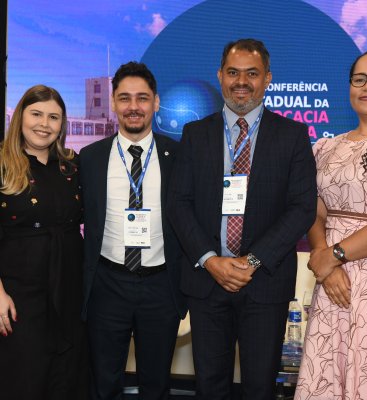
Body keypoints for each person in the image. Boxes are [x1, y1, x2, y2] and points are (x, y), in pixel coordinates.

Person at [167, 38, 317, 400]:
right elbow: (178, 203)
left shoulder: (292, 136)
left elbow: (302, 208)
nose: (241, 82)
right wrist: (211, 260)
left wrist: (250, 261)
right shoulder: (195, 134)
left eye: (252, 73)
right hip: (207, 282)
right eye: (233, 72)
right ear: (220, 76)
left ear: (268, 78)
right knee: (210, 385)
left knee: (259, 387)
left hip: (264, 283)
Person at [295, 48, 367, 400]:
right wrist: (324, 258)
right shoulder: (326, 147)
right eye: (359, 79)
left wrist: (334, 255)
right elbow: (315, 211)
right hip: (332, 284)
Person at [79, 61, 187, 400]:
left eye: (142, 98)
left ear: (156, 102)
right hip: (106, 284)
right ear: (113, 103)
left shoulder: (179, 156)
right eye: (124, 98)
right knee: (103, 380)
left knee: (156, 384)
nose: (133, 107)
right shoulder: (89, 158)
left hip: (160, 286)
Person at [0, 85, 88, 400]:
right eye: (36, 114)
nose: (44, 124)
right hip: (18, 297)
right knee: (24, 379)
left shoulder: (73, 166)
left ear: (62, 125)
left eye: (53, 117)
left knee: (65, 380)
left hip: (69, 290)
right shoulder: (3, 163)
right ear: (20, 116)